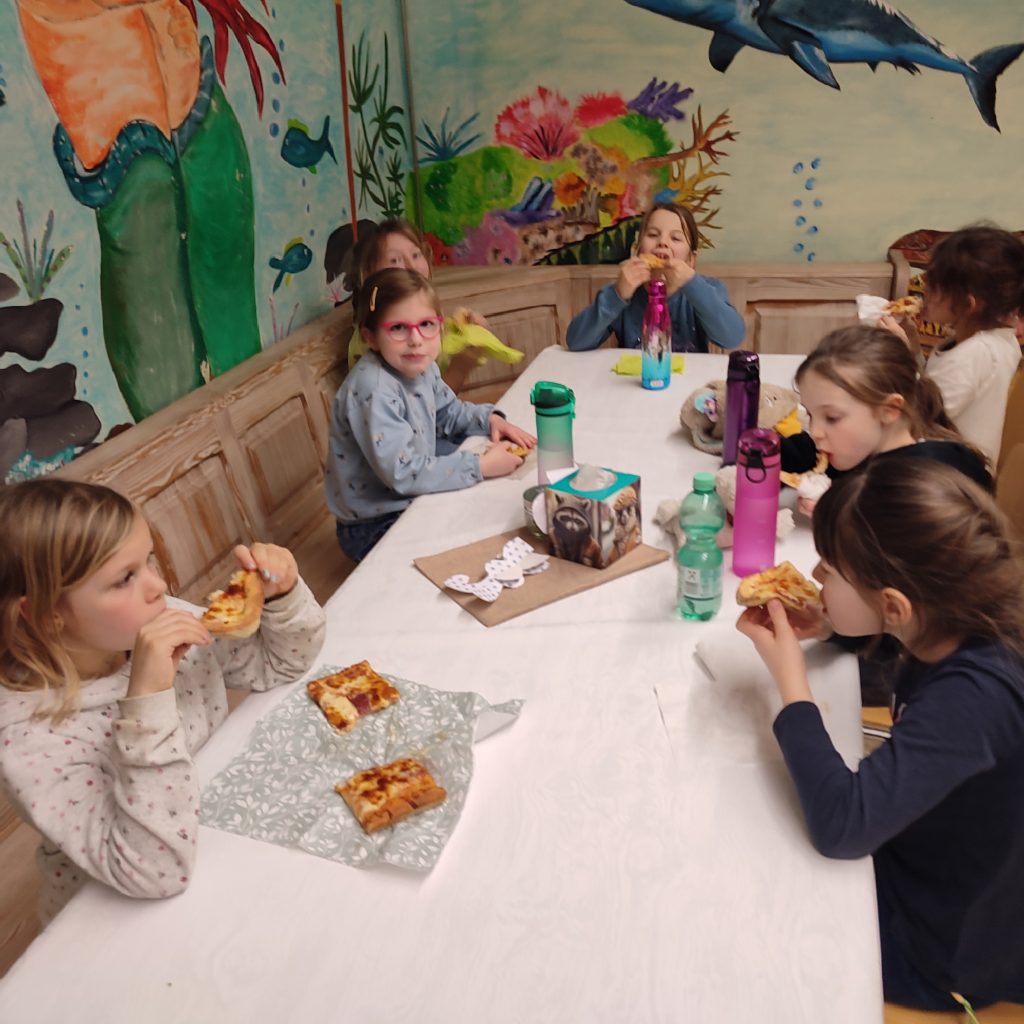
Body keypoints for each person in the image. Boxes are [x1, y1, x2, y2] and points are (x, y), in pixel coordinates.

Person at [737, 459, 1024, 1012]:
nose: (815, 576)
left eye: (829, 569)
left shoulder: (977, 696)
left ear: (893, 605)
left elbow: (843, 826)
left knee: (758, 922)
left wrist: (791, 683)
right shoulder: (957, 620)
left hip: (944, 948)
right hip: (931, 856)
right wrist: (835, 628)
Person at [0, 479, 326, 923]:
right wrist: (147, 702)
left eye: (149, 558)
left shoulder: (161, 615)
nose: (158, 585)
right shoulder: (29, 736)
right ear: (44, 614)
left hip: (222, 833)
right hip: (119, 914)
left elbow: (278, 664)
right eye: (125, 579)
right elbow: (155, 871)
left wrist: (282, 598)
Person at [325, 268, 535, 563]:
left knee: (493, 513)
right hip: (373, 524)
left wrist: (491, 420)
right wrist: (480, 466)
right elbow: (403, 472)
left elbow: (449, 413)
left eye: (426, 324)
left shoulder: (422, 366)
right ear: (370, 337)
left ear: (440, 326)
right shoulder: (374, 390)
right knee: (465, 554)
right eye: (398, 328)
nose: (415, 339)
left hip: (409, 496)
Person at [795, 324, 991, 518]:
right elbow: (803, 454)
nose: (815, 431)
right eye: (810, 415)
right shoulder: (865, 449)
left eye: (832, 417)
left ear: (889, 410)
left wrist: (837, 520)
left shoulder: (927, 487)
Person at [883, 225, 1024, 465]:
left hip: (950, 474)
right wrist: (914, 349)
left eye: (934, 286)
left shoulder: (976, 354)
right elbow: (934, 387)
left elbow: (917, 419)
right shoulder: (993, 340)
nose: (924, 291)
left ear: (968, 305)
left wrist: (900, 355)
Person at [343, 218, 521, 394]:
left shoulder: (416, 318)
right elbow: (423, 407)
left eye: (415, 255)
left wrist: (464, 331)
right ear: (368, 273)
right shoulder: (375, 341)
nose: (412, 266)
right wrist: (460, 367)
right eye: (395, 260)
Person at [565, 202, 744, 352]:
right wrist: (617, 294)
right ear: (638, 250)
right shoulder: (623, 293)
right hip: (637, 379)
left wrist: (693, 284)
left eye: (676, 238)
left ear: (690, 259)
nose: (663, 242)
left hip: (690, 380)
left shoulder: (707, 290)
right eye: (652, 235)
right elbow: (576, 342)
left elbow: (732, 338)